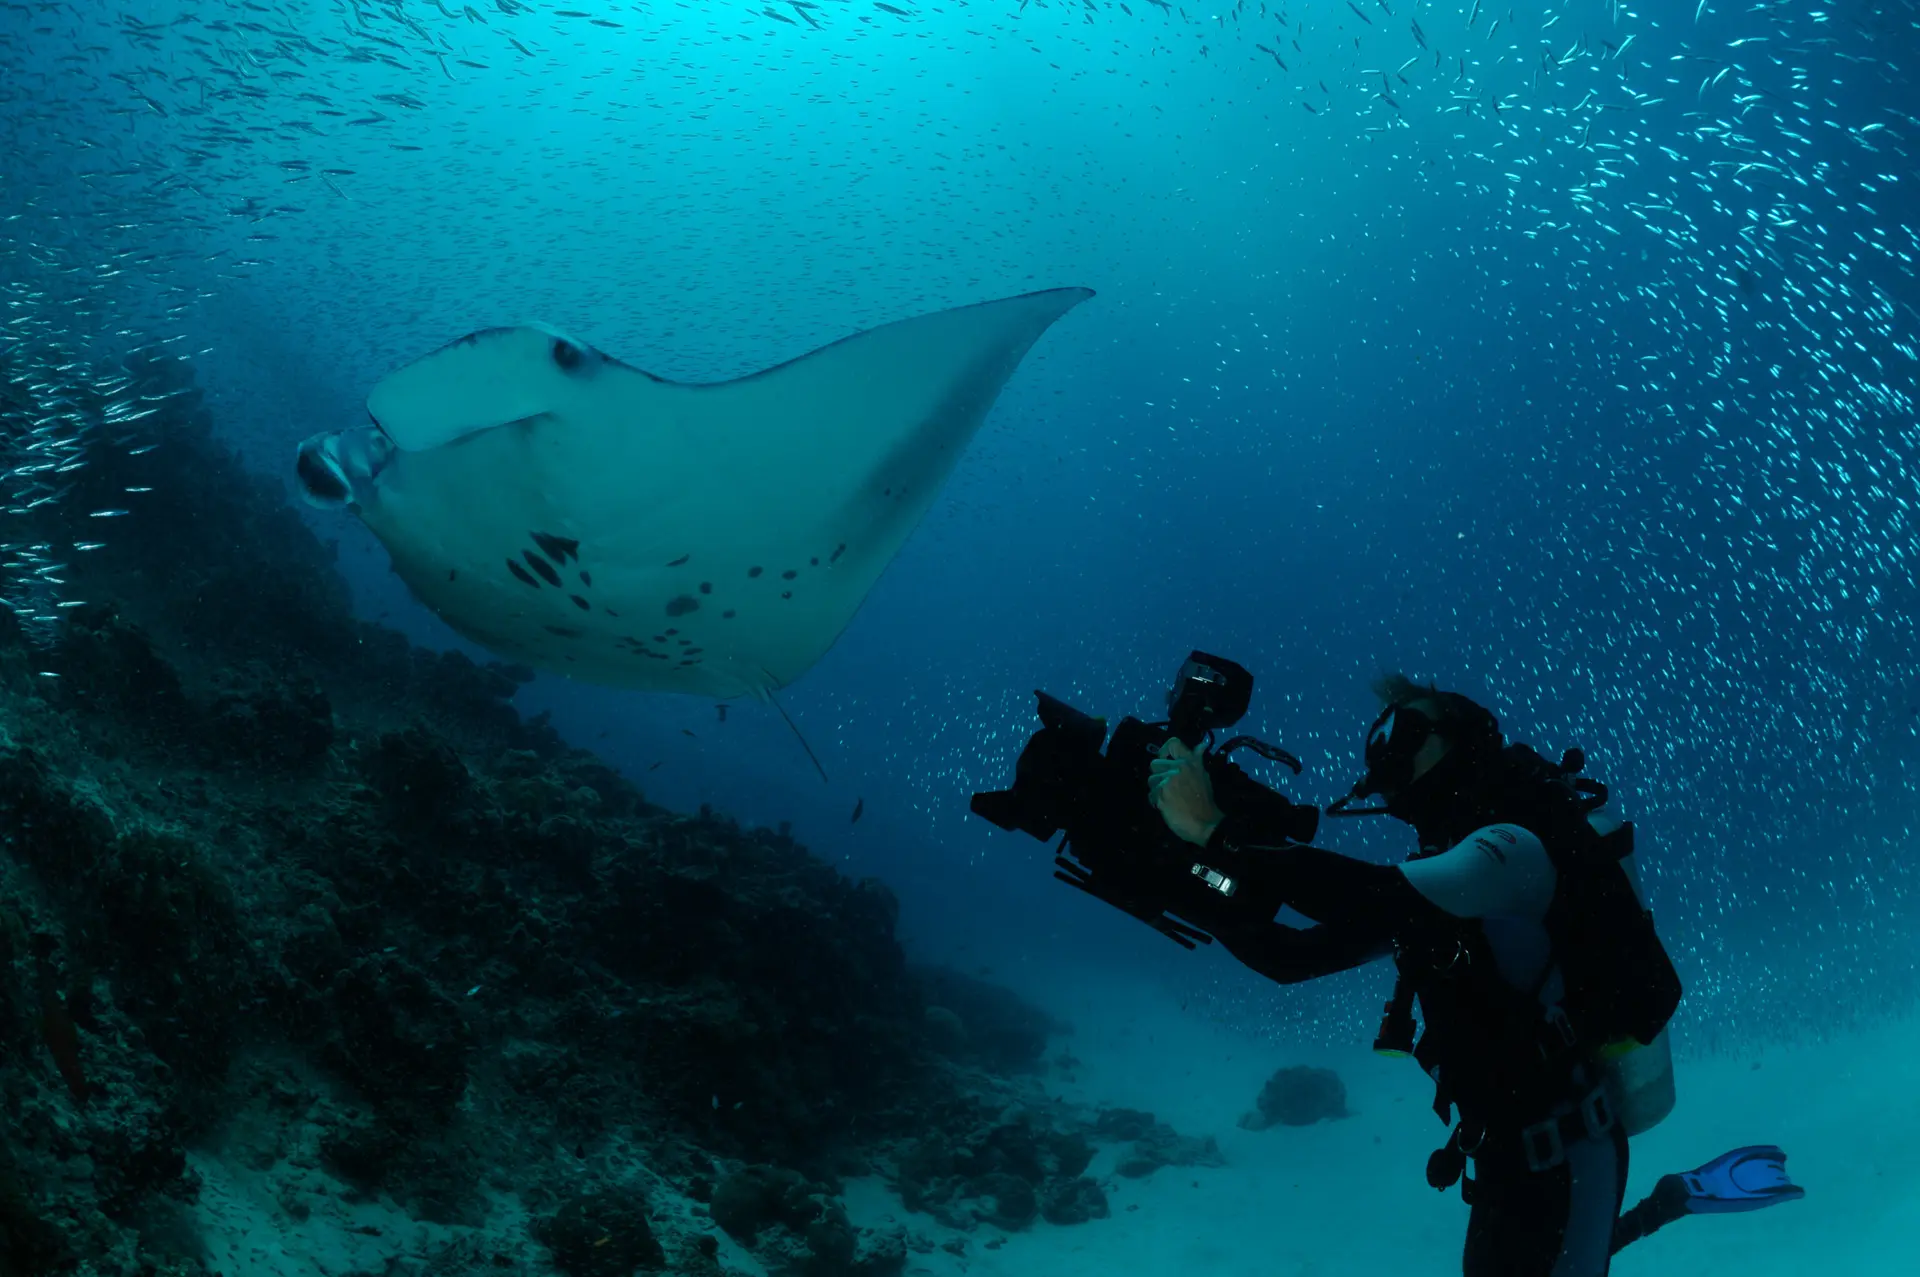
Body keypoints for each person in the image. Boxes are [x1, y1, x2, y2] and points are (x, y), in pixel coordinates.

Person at [1145, 674, 1802, 1277]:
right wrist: (1182, 875)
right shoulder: (1444, 881)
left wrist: (1213, 830)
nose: (1384, 752)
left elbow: (1368, 895)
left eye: (1404, 734)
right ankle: (1671, 1200)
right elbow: (1291, 956)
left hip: (1567, 1160)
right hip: (1504, 1165)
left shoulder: (1511, 846)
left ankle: (1668, 1202)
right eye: (1378, 740)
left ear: (1466, 740)